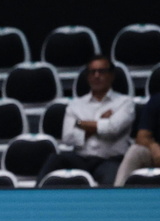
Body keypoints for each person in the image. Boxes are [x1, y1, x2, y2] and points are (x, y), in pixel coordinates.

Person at [36, 55, 135, 186]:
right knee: (55, 159)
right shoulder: (76, 105)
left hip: (110, 160)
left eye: (102, 71)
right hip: (81, 158)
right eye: (92, 72)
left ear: (111, 75)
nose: (97, 75)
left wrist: (81, 124)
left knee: (111, 180)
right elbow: (68, 138)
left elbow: (112, 129)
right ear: (88, 76)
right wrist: (100, 122)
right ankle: (32, 200)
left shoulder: (125, 102)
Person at [113, 93, 160, 186]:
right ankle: (119, 192)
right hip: (158, 154)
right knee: (136, 150)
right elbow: (141, 136)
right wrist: (153, 146)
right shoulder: (157, 100)